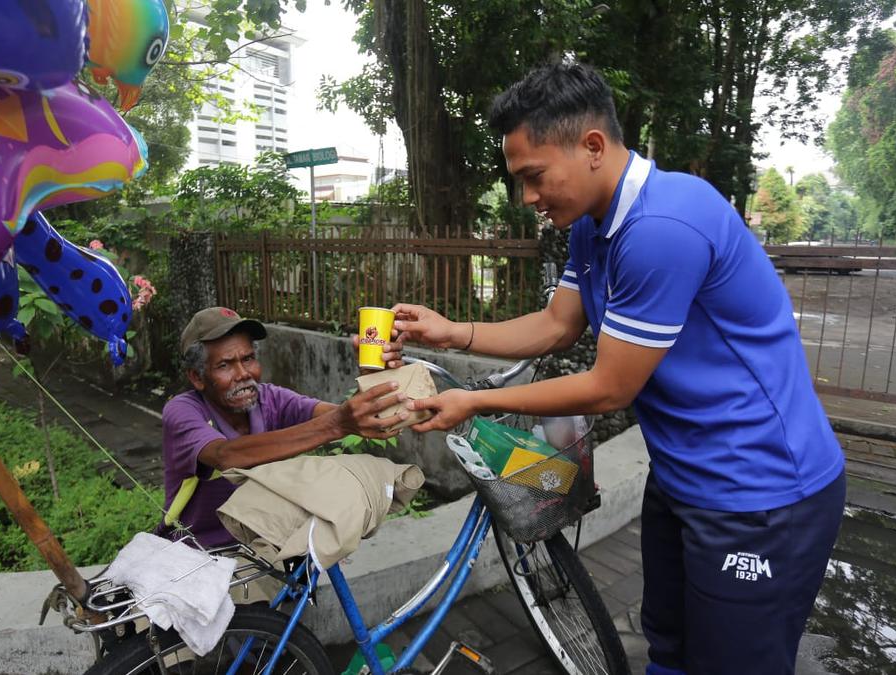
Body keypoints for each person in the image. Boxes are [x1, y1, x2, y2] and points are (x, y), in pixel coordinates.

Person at [391, 60, 846, 675]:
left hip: (761, 492)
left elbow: (609, 387)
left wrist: (476, 403)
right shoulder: (593, 224)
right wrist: (452, 330)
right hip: (686, 474)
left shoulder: (662, 226)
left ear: (594, 147)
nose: (527, 198)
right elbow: (558, 324)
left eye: (534, 176)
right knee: (669, 645)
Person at [157, 306, 406, 550]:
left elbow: (344, 415)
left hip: (267, 543)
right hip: (201, 553)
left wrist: (374, 379)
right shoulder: (182, 411)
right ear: (197, 377)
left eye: (248, 358)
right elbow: (226, 455)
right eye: (225, 365)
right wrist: (339, 423)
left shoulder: (271, 399)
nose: (243, 374)